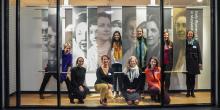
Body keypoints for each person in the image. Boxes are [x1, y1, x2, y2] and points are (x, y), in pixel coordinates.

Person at [185, 30, 202, 97]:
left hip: (194, 62)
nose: (190, 35)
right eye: (189, 34)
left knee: (193, 78)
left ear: (193, 35)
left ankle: (192, 92)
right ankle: (188, 92)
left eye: (191, 34)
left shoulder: (196, 42)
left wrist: (200, 62)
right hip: (187, 62)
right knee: (188, 78)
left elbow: (199, 52)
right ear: (187, 35)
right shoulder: (185, 42)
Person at [111, 31, 123, 98]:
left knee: (120, 78)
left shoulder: (122, 43)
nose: (116, 36)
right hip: (114, 63)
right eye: (115, 35)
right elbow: (110, 53)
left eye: (118, 35)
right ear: (113, 36)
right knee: (114, 78)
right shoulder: (112, 43)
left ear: (119, 36)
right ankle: (115, 91)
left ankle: (120, 91)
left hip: (121, 63)